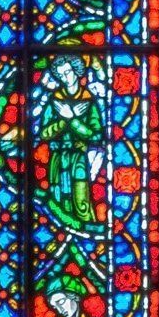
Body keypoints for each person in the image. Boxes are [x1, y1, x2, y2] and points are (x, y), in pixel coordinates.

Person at [40, 57, 104, 231]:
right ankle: (58, 233)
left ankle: (86, 232)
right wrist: (64, 120)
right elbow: (43, 133)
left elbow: (96, 134)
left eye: (67, 72)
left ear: (77, 71)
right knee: (58, 199)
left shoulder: (88, 101)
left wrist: (73, 119)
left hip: (79, 159)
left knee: (81, 201)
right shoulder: (54, 101)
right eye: (60, 75)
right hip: (57, 159)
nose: (65, 78)